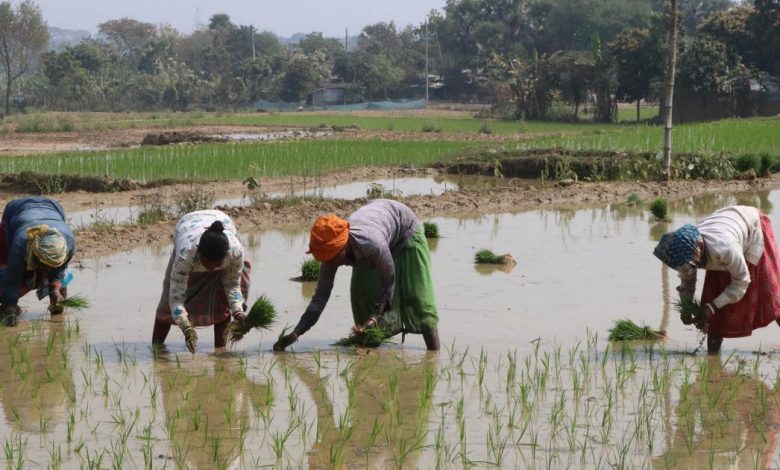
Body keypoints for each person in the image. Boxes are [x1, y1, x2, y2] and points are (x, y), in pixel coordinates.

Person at [274, 199, 440, 351]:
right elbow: (320, 298)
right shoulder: (330, 258)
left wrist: (375, 316)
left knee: (419, 299)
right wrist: (295, 334)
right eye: (325, 259)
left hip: (405, 232)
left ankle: (434, 354)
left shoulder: (371, 244)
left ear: (343, 246)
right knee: (361, 297)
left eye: (331, 258)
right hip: (374, 232)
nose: (329, 263)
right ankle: (369, 354)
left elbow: (388, 280)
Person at [653, 205, 780, 354]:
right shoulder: (689, 249)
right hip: (725, 228)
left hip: (753, 228)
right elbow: (687, 281)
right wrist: (686, 309)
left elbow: (742, 282)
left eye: (687, 265)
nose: (686, 268)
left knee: (772, 296)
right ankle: (712, 357)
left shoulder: (725, 248)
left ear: (697, 253)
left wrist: (711, 307)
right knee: (715, 294)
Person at [152, 210, 250, 353]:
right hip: (187, 226)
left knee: (221, 300)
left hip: (221, 220)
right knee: (166, 305)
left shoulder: (235, 253)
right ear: (198, 251)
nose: (210, 269)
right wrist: (187, 328)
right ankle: (156, 349)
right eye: (206, 263)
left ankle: (220, 351)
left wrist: (238, 312)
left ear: (226, 254)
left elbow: (232, 286)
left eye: (216, 264)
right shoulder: (185, 255)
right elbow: (175, 298)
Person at [0, 196, 75, 326]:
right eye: (44, 265)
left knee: (60, 275)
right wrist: (10, 308)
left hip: (53, 207)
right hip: (16, 210)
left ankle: (56, 305)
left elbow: (61, 268)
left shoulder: (68, 243)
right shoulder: (20, 244)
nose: (47, 270)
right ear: (34, 253)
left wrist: (55, 289)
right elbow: (13, 278)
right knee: (13, 268)